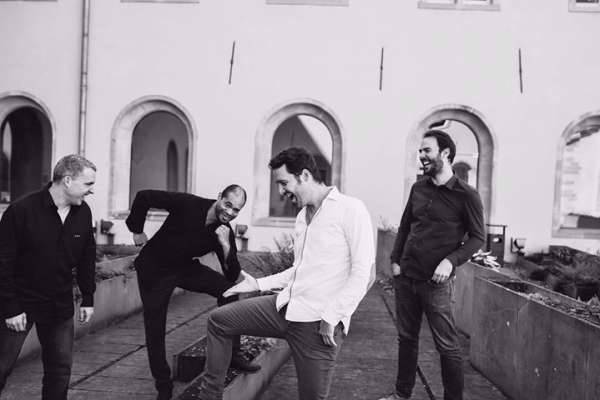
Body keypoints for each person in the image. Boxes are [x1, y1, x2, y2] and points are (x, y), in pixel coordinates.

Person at [194, 147, 376, 400]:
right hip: (284, 307)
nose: (281, 191)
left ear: (304, 175)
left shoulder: (351, 209)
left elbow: (364, 272)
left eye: (283, 183)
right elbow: (299, 270)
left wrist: (333, 316)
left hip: (317, 324)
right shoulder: (302, 217)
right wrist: (257, 284)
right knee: (219, 321)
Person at [125, 185, 260, 400]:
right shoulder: (188, 203)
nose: (230, 212)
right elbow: (144, 196)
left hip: (183, 267)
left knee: (228, 291)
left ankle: (233, 354)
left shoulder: (224, 231)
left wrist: (226, 246)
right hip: (155, 268)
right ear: (219, 197)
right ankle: (164, 386)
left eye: (236, 210)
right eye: (227, 205)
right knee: (155, 327)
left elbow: (231, 274)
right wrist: (137, 229)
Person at [378, 130, 485, 400]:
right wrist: (395, 261)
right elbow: (405, 226)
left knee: (447, 346)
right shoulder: (418, 188)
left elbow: (477, 238)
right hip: (407, 277)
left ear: (445, 153)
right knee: (406, 338)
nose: (421, 156)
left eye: (427, 150)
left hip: (436, 284)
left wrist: (450, 261)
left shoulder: (467, 195)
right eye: (420, 151)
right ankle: (402, 394)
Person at [0, 154, 97, 400]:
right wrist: (11, 308)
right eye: (88, 184)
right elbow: (3, 262)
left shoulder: (83, 212)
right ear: (67, 180)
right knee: (1, 367)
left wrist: (88, 297)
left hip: (59, 304)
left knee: (60, 371)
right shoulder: (21, 211)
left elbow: (87, 256)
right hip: (19, 305)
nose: (91, 191)